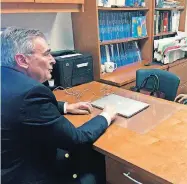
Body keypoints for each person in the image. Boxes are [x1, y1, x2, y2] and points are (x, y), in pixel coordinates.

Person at [1, 27, 117, 184]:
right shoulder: (31, 93)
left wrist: (65, 107)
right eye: (46, 54)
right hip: (28, 175)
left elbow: (20, 108)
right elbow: (76, 139)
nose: (53, 60)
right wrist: (106, 116)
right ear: (22, 60)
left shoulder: (7, 79)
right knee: (97, 167)